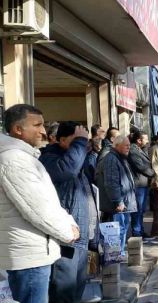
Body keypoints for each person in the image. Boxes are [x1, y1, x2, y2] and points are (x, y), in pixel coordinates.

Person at [0, 105, 79, 303]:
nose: (43, 131)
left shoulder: (24, 157)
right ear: (18, 129)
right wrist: (68, 232)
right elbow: (37, 209)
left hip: (32, 251)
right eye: (37, 125)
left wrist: (68, 222)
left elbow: (47, 201)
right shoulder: (13, 159)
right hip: (27, 257)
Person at [38, 122, 96, 302]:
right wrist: (79, 144)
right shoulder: (50, 158)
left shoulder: (76, 158)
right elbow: (66, 171)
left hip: (81, 237)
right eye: (77, 140)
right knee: (64, 293)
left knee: (76, 291)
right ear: (62, 140)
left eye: (85, 141)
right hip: (64, 239)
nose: (83, 145)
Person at [95, 135, 136, 260]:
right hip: (117, 204)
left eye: (129, 145)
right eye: (126, 145)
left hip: (123, 202)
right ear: (117, 146)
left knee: (121, 229)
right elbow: (111, 182)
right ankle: (115, 255)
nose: (128, 147)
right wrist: (118, 201)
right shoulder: (112, 159)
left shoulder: (119, 157)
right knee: (116, 231)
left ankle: (118, 253)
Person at [127, 131, 155, 238]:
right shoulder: (133, 150)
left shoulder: (140, 149)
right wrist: (154, 174)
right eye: (146, 139)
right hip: (138, 184)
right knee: (137, 210)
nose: (148, 141)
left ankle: (141, 230)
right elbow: (141, 167)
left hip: (143, 183)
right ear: (139, 140)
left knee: (142, 210)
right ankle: (137, 232)